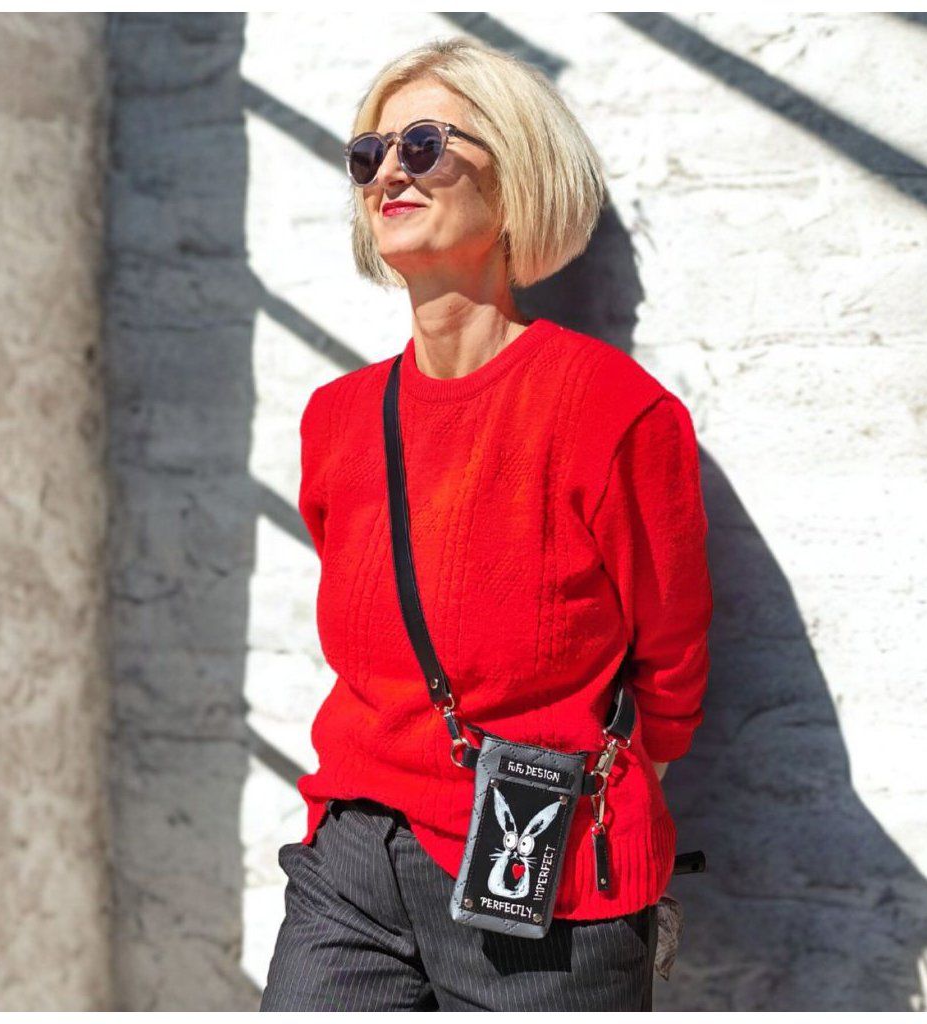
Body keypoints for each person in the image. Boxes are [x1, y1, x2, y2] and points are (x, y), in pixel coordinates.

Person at [260, 36, 713, 1012]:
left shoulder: (614, 412)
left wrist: (587, 789)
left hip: (540, 863)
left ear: (513, 179)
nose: (389, 171)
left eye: (422, 145)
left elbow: (670, 665)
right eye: (369, 154)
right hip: (352, 854)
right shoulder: (337, 420)